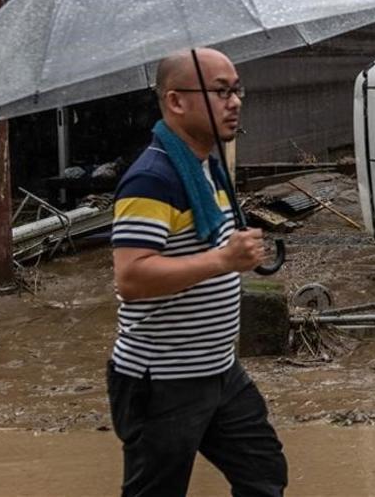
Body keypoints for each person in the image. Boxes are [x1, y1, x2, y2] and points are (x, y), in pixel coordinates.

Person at [106, 48, 288, 496]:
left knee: (264, 475)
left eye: (237, 89)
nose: (235, 102)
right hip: (162, 379)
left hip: (218, 370)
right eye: (220, 91)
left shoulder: (208, 169)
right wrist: (223, 260)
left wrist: (240, 252)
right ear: (176, 101)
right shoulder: (152, 179)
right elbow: (131, 279)